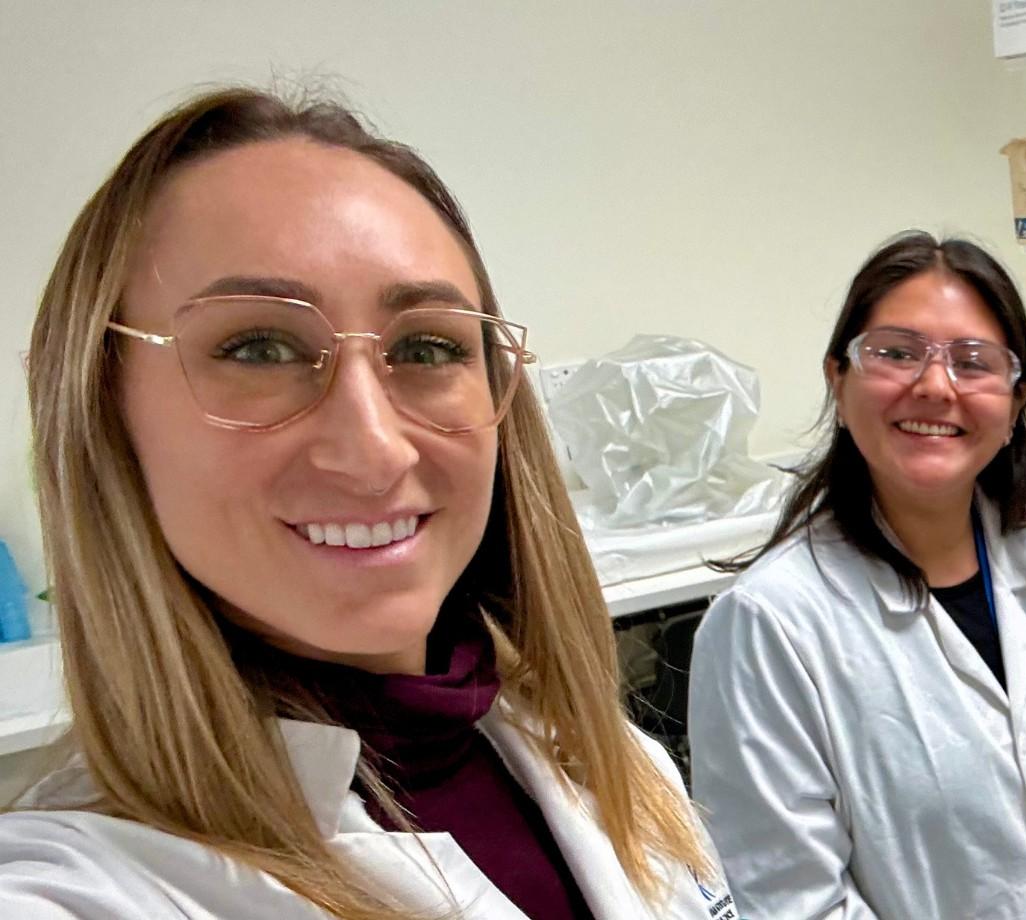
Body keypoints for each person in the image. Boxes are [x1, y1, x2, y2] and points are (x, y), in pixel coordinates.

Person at [0, 87, 732, 919]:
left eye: (427, 346)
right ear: (102, 408)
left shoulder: (606, 762)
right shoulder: (72, 886)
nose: (375, 448)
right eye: (259, 347)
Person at [690, 232, 1026, 920]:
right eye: (896, 353)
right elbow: (793, 901)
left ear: (1016, 401)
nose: (935, 386)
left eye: (973, 362)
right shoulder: (770, 625)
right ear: (838, 383)